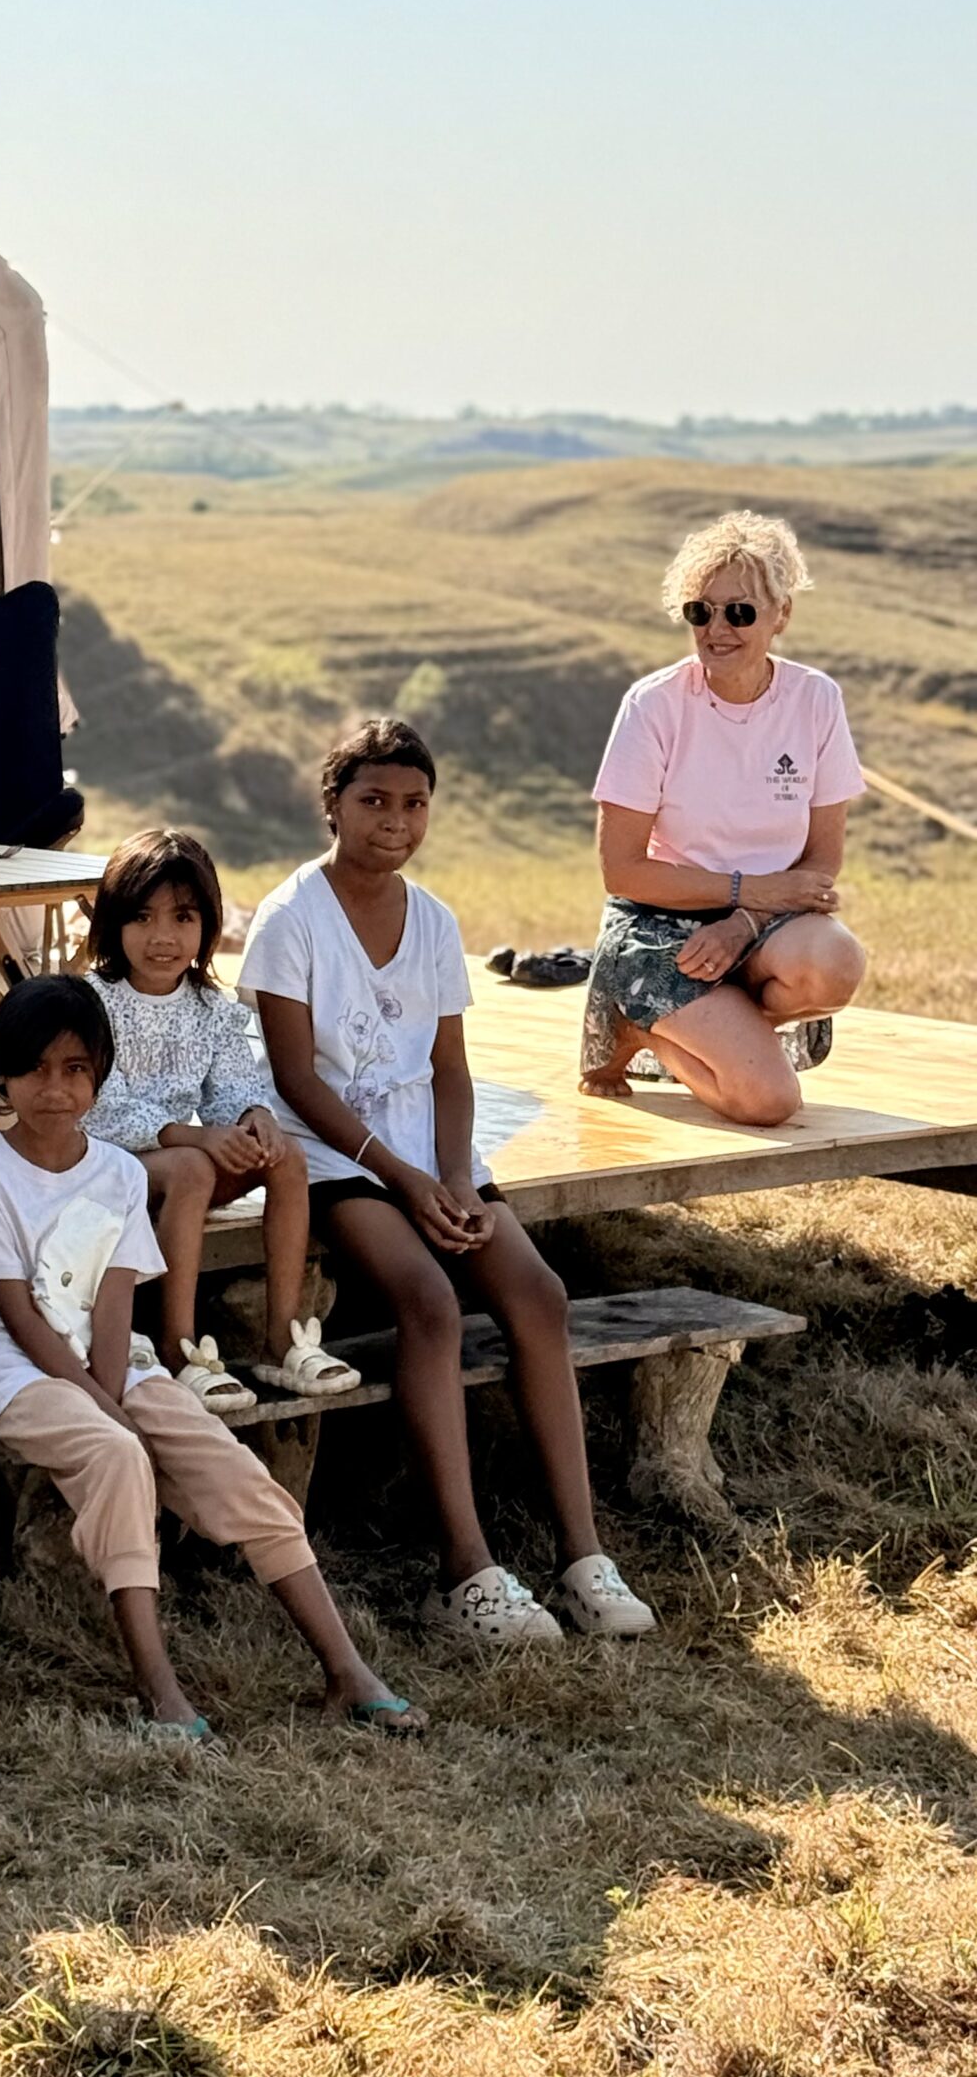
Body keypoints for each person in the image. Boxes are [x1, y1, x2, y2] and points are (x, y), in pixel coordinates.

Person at [242, 720, 654, 1646]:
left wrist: (457, 1176)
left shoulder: (432, 919)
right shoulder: (289, 918)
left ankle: (582, 1558)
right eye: (373, 801)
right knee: (427, 1301)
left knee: (538, 1294)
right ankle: (464, 1573)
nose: (395, 821)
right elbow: (296, 1078)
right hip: (332, 1154)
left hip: (426, 1151)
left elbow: (451, 1070)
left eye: (414, 803)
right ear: (333, 806)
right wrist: (403, 1177)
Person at [0, 974, 424, 1742]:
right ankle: (161, 1693)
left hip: (118, 1365)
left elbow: (113, 1306)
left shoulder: (119, 1173)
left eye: (75, 1070)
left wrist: (118, 1395)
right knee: (118, 1456)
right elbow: (20, 1320)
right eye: (34, 1069)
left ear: (100, 1076)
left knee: (230, 1465)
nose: (55, 1089)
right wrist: (111, 1416)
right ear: (1, 1075)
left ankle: (348, 1672)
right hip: (20, 1377)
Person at [580, 510, 868, 1124]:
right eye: (700, 611)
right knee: (769, 1102)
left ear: (781, 615)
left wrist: (745, 918)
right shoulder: (653, 705)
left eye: (739, 612)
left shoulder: (816, 699)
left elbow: (822, 858)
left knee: (838, 965)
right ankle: (637, 1024)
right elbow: (622, 871)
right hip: (659, 925)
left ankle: (708, 1023)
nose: (717, 629)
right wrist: (749, 891)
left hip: (767, 919)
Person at [82, 828, 357, 1411]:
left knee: (286, 1156)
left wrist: (255, 1119)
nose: (163, 937)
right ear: (112, 921)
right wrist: (193, 1136)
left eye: (183, 917)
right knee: (191, 1166)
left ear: (207, 925)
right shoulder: (91, 1003)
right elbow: (98, 1106)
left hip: (179, 1170)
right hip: (101, 1172)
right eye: (142, 917)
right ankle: (179, 1349)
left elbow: (233, 1087)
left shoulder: (210, 1007)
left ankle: (282, 1340)